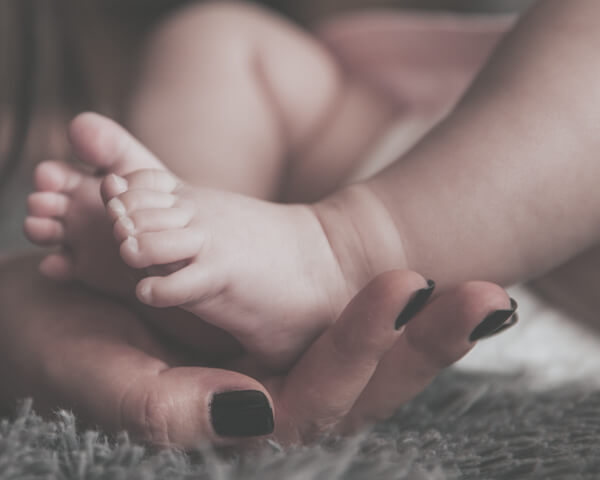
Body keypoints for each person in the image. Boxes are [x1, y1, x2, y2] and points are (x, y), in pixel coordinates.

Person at [1, 0, 518, 447]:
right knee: (216, 36)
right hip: (409, 152)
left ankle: (334, 252)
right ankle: (195, 234)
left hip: (535, 205)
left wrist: (345, 240)